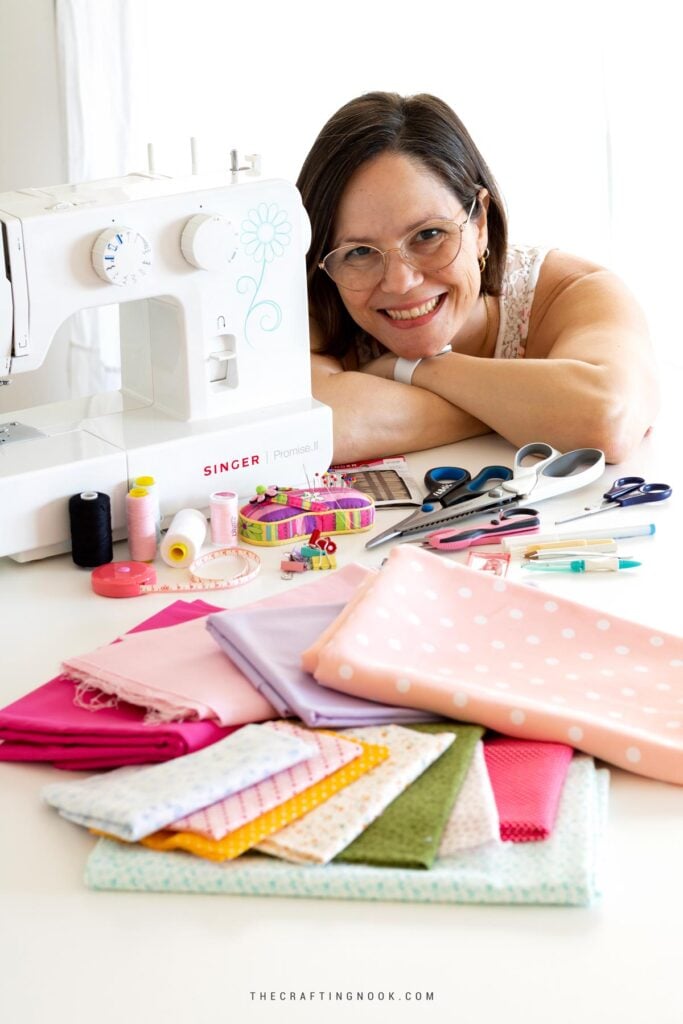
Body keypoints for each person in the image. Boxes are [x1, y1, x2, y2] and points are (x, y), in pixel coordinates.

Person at [297, 92, 659, 464]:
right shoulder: (312, 305)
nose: (400, 282)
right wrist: (533, 410)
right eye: (359, 252)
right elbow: (311, 431)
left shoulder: (573, 291)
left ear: (480, 223)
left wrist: (409, 368)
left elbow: (606, 420)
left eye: (428, 235)